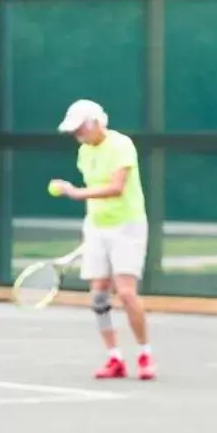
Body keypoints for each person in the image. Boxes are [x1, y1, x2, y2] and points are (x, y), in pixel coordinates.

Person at [51, 98, 153, 380]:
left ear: (96, 122)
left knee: (127, 293)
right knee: (98, 296)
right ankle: (114, 358)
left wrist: (74, 193)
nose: (78, 135)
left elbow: (116, 188)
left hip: (128, 225)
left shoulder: (122, 145)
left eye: (81, 128)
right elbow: (96, 191)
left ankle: (145, 353)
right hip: (96, 227)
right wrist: (94, 228)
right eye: (74, 131)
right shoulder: (84, 152)